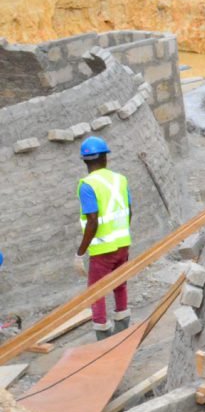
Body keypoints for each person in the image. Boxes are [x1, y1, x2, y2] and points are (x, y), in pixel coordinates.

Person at [75, 137, 132, 340]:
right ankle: (123, 325)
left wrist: (80, 253)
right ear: (105, 157)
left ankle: (103, 335)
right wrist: (122, 234)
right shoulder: (120, 179)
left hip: (102, 250)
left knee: (96, 292)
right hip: (123, 244)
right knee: (120, 284)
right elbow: (129, 211)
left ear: (85, 160)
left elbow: (92, 221)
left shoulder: (87, 185)